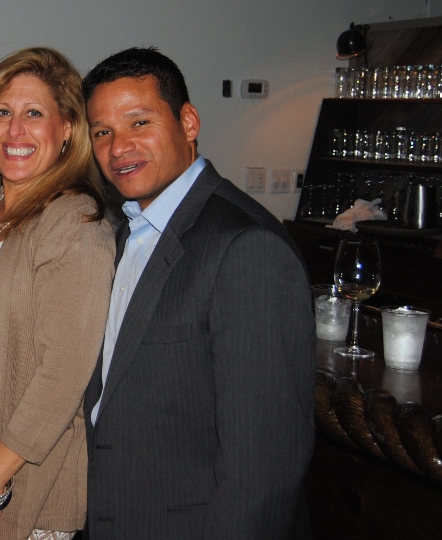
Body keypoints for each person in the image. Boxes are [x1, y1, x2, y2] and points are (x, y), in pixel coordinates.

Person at [82, 47, 314, 539]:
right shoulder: (126, 229)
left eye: (139, 122)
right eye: (102, 132)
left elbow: (263, 469)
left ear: (188, 122)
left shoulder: (246, 248)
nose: (119, 147)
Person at [0, 48, 115, 540]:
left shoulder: (75, 223)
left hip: (20, 469)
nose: (15, 130)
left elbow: (63, 374)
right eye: (3, 112)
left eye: (34, 114)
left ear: (67, 129)